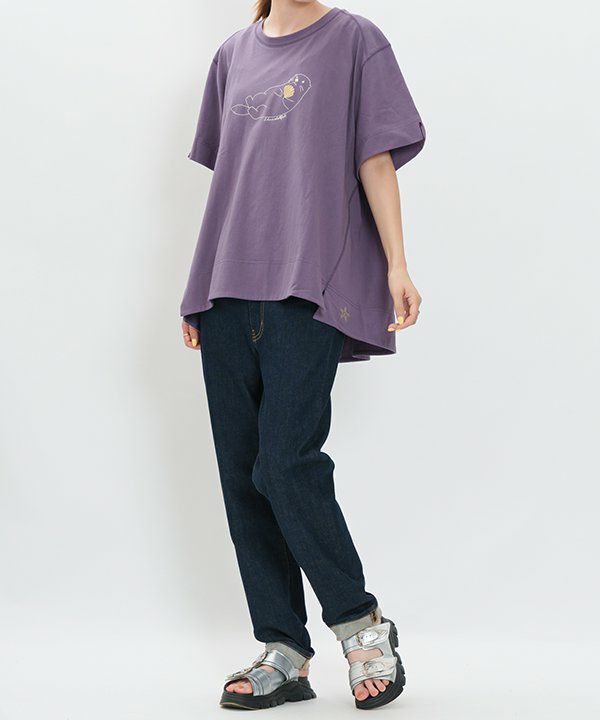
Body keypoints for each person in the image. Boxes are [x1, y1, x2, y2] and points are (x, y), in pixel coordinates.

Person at [180, 0, 425, 710]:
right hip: (226, 288)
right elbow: (232, 180)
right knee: (242, 476)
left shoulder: (354, 40)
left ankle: (360, 624)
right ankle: (283, 650)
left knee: (285, 464)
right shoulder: (232, 55)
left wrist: (397, 264)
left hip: (307, 285)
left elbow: (374, 158)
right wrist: (198, 287)